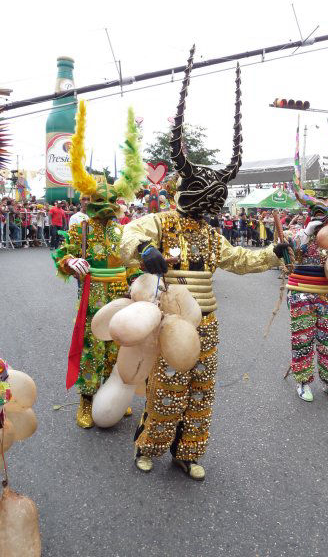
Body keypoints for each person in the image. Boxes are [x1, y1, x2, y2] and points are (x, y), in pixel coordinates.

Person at [120, 56, 289, 481]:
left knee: (201, 390)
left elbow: (240, 260)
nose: (207, 208)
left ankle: (189, 452)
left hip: (208, 322)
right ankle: (150, 445)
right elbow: (128, 235)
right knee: (170, 387)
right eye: (204, 198)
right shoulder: (160, 222)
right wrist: (144, 251)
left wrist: (272, 254)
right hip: (172, 318)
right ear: (187, 194)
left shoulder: (213, 236)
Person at [52, 101, 146, 428]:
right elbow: (61, 254)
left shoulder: (123, 229)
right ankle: (87, 399)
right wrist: (69, 260)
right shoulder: (81, 227)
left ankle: (114, 397)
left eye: (111, 201)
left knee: (118, 344)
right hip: (92, 295)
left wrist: (140, 282)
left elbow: (132, 263)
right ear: (89, 201)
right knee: (92, 345)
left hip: (120, 294)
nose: (107, 206)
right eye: (100, 201)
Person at [287, 121, 328, 404]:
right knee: (302, 338)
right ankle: (302, 382)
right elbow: (296, 250)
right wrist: (309, 231)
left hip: (326, 293)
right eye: (322, 216)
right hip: (301, 291)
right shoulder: (301, 233)